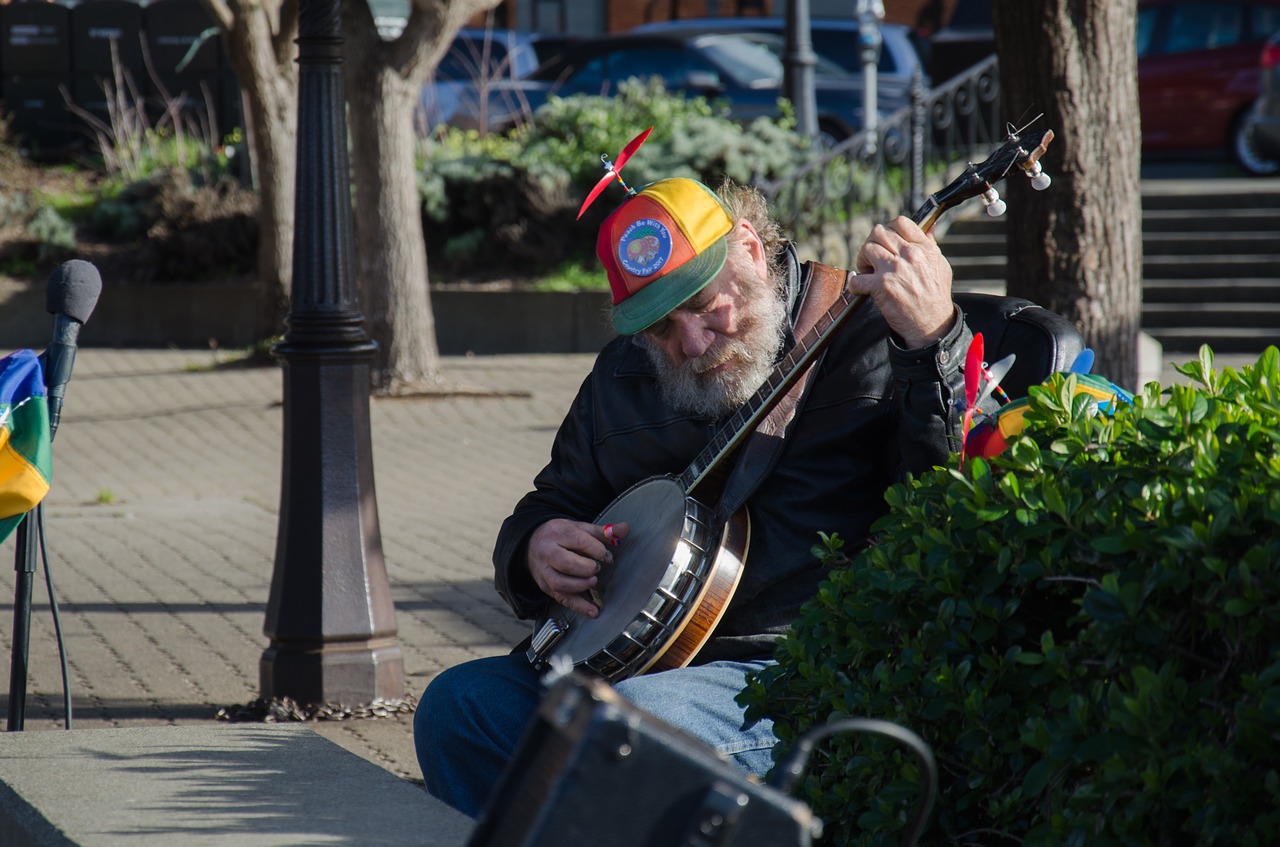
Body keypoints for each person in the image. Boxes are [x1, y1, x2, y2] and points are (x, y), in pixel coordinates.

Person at [414, 175, 973, 818]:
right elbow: (550, 503)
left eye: (706, 305)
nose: (694, 344)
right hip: (630, 663)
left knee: (630, 732)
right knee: (458, 708)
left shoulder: (874, 338)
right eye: (661, 328)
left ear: (750, 251)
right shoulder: (623, 373)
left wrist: (934, 344)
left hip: (783, 669)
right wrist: (534, 550)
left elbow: (944, 501)